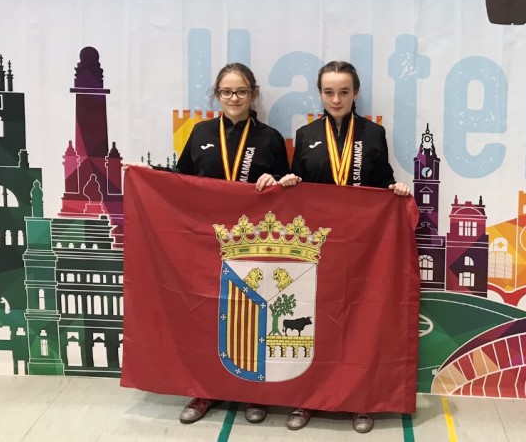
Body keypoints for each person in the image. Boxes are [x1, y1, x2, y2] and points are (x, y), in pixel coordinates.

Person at [125, 62, 289, 424]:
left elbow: (285, 191)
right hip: (205, 243)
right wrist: (147, 176)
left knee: (253, 316)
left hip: (252, 243)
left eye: (242, 91)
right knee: (207, 317)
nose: (234, 97)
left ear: (253, 94)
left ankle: (253, 392)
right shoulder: (199, 132)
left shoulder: (270, 138)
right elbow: (182, 181)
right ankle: (204, 391)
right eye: (227, 91)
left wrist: (277, 180)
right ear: (217, 95)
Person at [278, 60, 411, 433]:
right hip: (317, 246)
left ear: (356, 93)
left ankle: (360, 400)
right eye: (329, 92)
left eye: (344, 92)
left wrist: (395, 190)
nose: (336, 99)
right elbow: (300, 185)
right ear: (320, 94)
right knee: (314, 320)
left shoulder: (372, 133)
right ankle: (305, 398)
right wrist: (290, 182)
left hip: (362, 247)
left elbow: (382, 180)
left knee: (358, 321)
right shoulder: (306, 135)